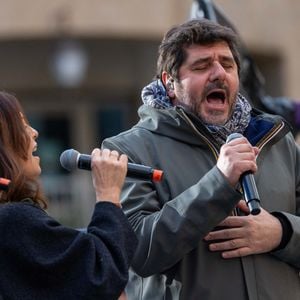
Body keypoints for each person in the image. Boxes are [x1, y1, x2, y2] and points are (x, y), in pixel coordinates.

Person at [102, 18, 300, 300]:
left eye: (227, 64)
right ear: (170, 84)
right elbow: (138, 253)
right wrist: (218, 183)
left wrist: (281, 232)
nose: (218, 73)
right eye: (202, 66)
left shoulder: (277, 141)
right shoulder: (130, 150)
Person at [0, 91, 137, 300]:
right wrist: (108, 193)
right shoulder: (11, 221)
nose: (33, 132)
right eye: (20, 124)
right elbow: (101, 276)